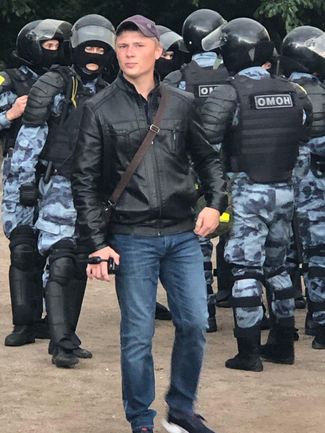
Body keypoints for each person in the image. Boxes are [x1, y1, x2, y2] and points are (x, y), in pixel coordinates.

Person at [72, 14, 226, 433]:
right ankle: (141, 419)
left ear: (159, 51)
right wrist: (96, 243)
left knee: (194, 323)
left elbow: (209, 159)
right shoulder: (98, 108)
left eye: (138, 45)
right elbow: (84, 180)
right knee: (137, 336)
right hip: (131, 237)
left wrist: (214, 204)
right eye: (122, 46)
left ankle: (181, 409)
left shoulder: (180, 102)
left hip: (182, 235)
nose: (129, 53)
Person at [4, 14, 116, 368]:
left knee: (78, 259)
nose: (94, 55)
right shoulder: (55, 83)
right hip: (57, 183)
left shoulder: (112, 88)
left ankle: (63, 334)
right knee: (54, 255)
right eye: (89, 47)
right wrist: (23, 183)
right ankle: (57, 340)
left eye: (101, 48)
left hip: (93, 188)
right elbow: (30, 138)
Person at [201, 17, 312, 371]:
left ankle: (248, 352)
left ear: (232, 54)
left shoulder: (228, 93)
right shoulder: (295, 92)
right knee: (280, 267)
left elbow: (205, 146)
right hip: (284, 191)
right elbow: (304, 135)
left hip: (247, 193)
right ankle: (282, 343)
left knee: (245, 269)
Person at [1, 19, 72, 347]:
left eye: (59, 46)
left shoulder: (67, 81)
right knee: (23, 247)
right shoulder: (10, 79)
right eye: (49, 46)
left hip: (55, 173)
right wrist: (10, 114)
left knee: (55, 249)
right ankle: (24, 323)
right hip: (19, 171)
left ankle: (51, 322)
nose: (55, 51)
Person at [164, 9, 228, 332]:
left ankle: (208, 313)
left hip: (191, 176)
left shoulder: (175, 80)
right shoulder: (236, 76)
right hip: (232, 174)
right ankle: (248, 307)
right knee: (240, 241)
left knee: (198, 244)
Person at [280, 26, 325, 347]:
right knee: (319, 254)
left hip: (277, 186)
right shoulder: (321, 92)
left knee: (280, 256)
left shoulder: (274, 91)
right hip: (316, 192)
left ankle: (282, 326)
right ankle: (319, 322)